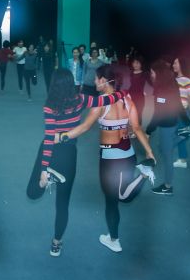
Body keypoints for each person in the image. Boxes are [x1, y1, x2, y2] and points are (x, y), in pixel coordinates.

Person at [54, 64, 156, 253]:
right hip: (128, 155)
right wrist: (149, 152)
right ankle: (142, 173)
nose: (94, 82)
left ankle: (114, 239)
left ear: (103, 80)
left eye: (96, 78)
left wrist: (60, 137)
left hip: (110, 159)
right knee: (122, 194)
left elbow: (84, 127)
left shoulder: (100, 103)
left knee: (112, 200)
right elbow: (137, 128)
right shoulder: (127, 100)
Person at [26, 69, 128, 257]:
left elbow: (49, 138)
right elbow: (106, 100)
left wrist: (44, 168)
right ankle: (56, 244)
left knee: (32, 193)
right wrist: (122, 93)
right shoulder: (80, 99)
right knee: (62, 204)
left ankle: (46, 180)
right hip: (68, 154)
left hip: (50, 152)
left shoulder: (49, 106)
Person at [146, 58, 183, 196]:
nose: (151, 74)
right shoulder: (171, 83)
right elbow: (178, 104)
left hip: (167, 125)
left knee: (167, 157)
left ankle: (167, 187)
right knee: (163, 148)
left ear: (159, 73)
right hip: (173, 121)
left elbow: (158, 114)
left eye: (152, 72)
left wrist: (148, 131)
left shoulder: (162, 90)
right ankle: (181, 135)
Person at [128, 55, 149, 124]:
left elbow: (151, 83)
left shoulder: (145, 74)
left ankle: (138, 126)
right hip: (131, 94)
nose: (135, 64)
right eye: (134, 62)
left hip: (140, 96)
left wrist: (146, 91)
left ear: (141, 64)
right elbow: (132, 85)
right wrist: (127, 94)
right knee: (131, 110)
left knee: (139, 111)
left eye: (137, 63)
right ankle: (132, 123)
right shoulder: (131, 73)